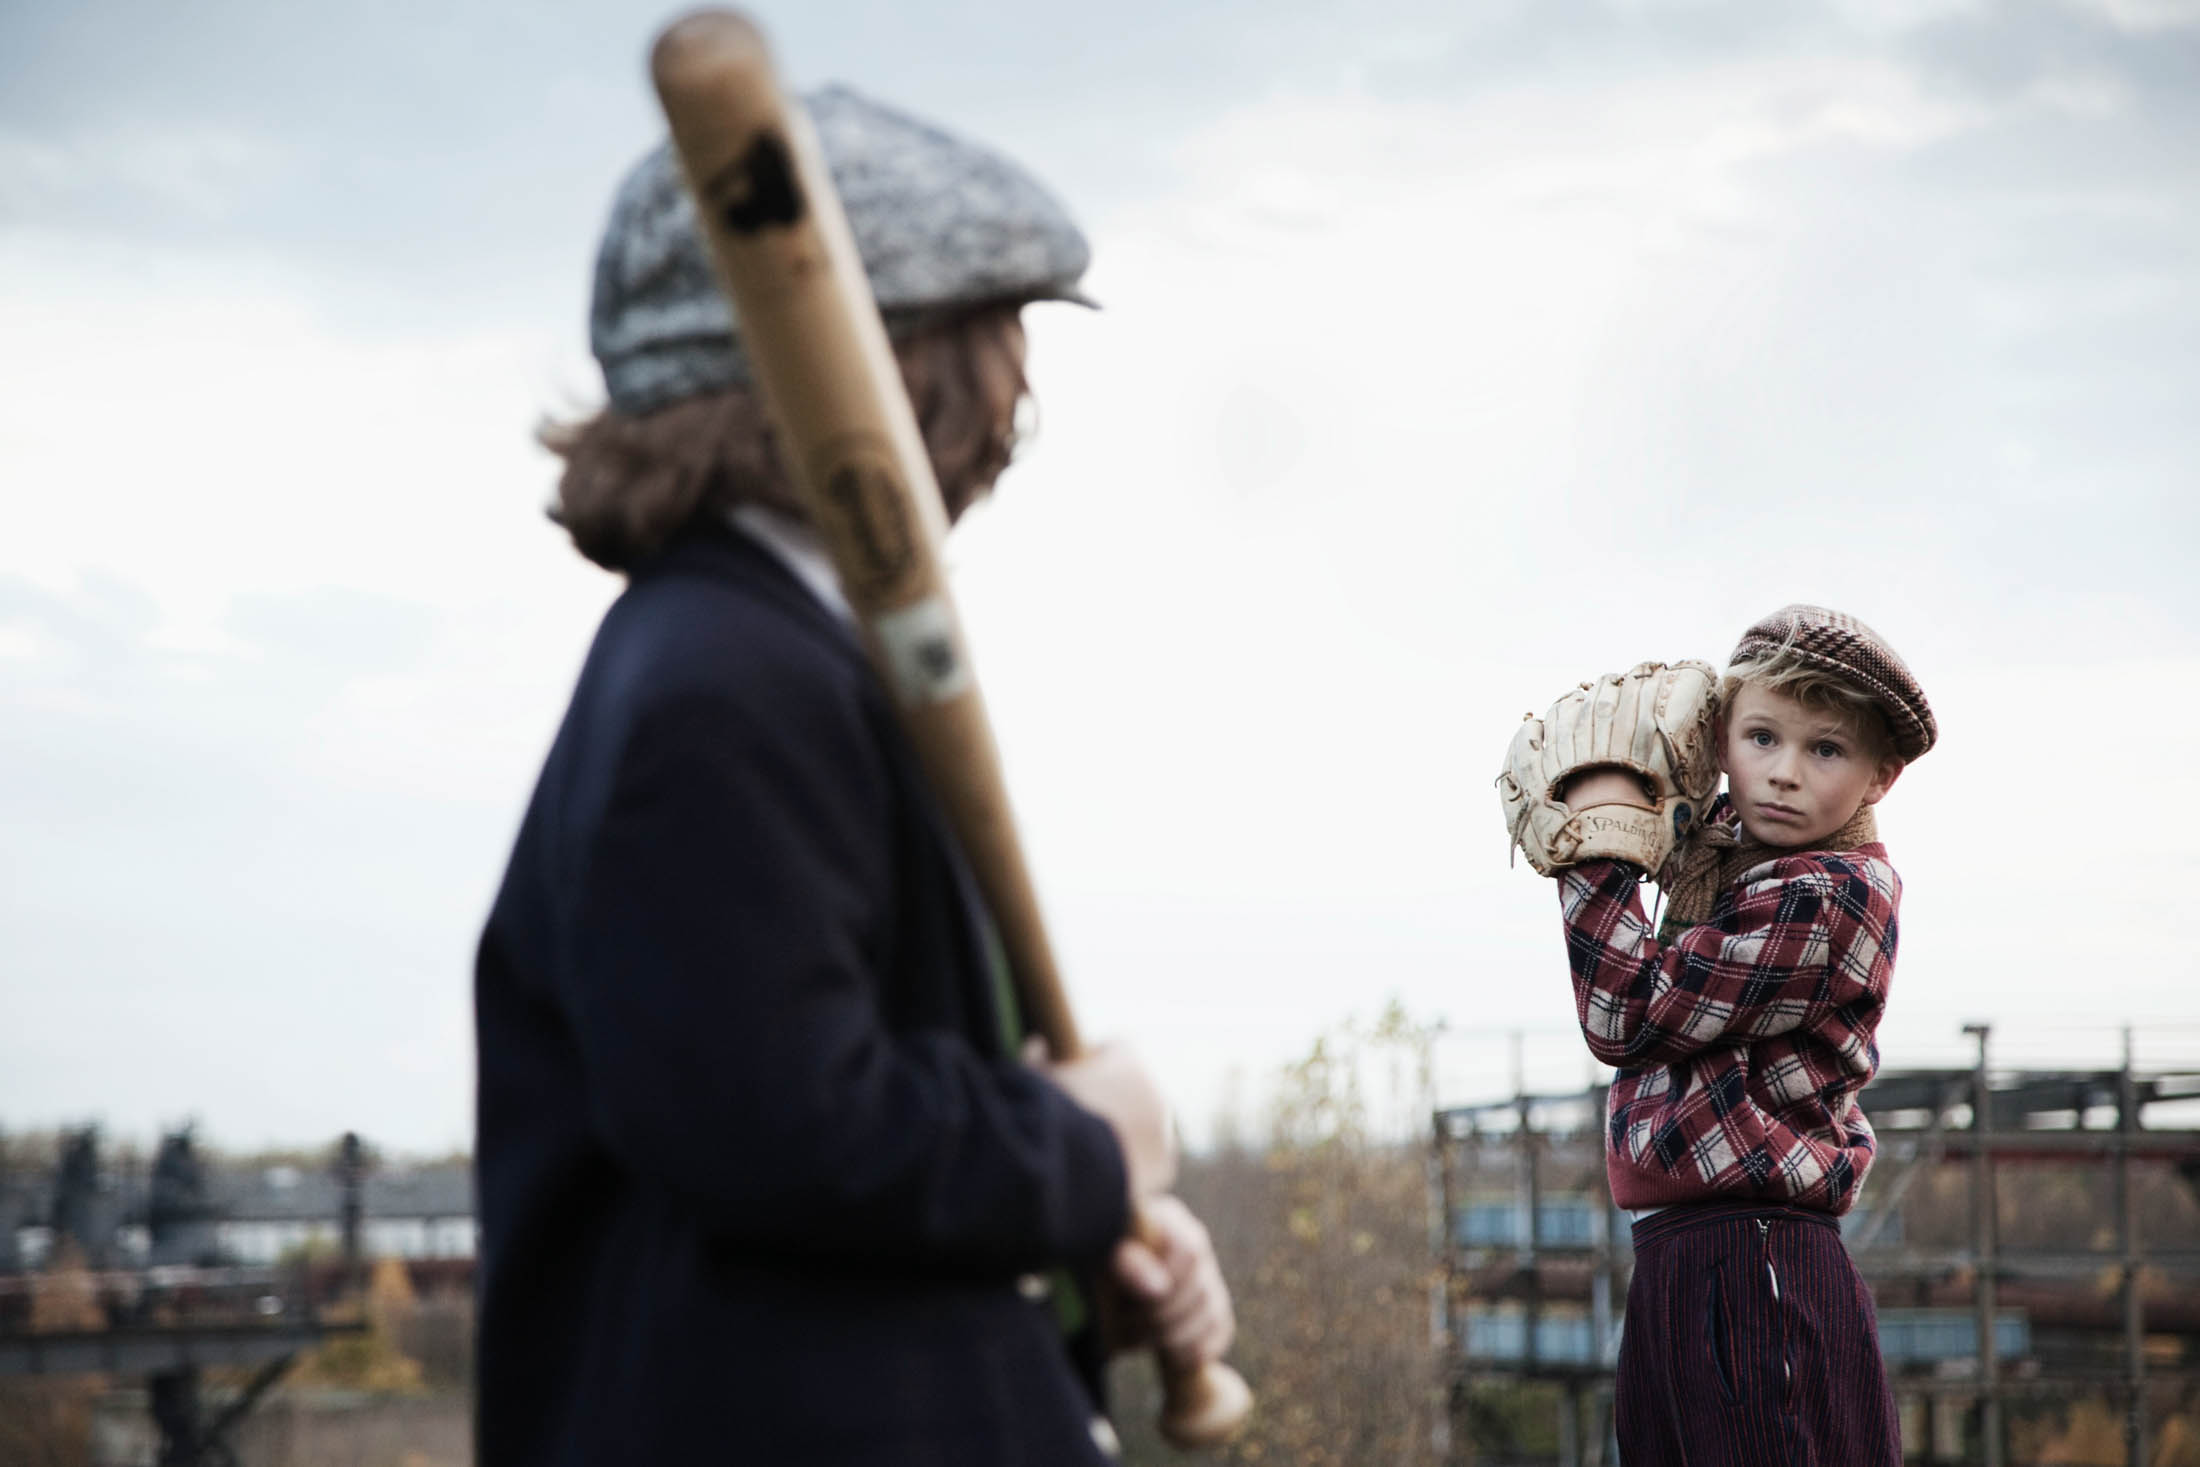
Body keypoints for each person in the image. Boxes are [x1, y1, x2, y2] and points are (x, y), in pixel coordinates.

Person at [474, 86, 1234, 1467]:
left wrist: (1071, 1254)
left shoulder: (761, 656)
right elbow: (780, 1124)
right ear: (884, 366)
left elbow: (824, 1170)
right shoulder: (722, 682)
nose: (1019, 396)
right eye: (994, 334)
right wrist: (1078, 1149)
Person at [1503, 605, 1935, 1466]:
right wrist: (1647, 820)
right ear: (1720, 738)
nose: (1782, 774)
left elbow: (1625, 1008)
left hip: (1754, 1261)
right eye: (1762, 736)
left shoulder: (1836, 895)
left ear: (1880, 776)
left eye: (1826, 749)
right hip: (1675, 1253)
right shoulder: (1730, 868)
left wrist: (1594, 843)